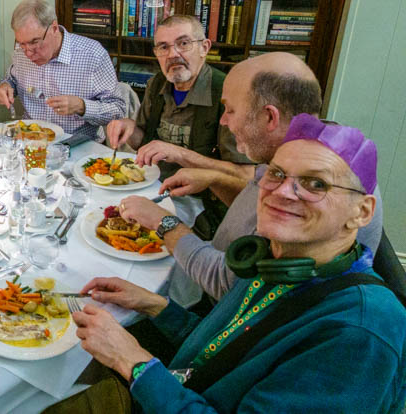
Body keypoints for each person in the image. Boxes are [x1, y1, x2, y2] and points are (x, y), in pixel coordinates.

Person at [64, 117, 406, 412]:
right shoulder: (276, 261)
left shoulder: (359, 334)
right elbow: (223, 348)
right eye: (276, 174)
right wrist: (155, 305)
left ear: (361, 212)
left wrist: (134, 363)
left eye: (316, 183)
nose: (284, 192)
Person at [119, 53, 384, 301]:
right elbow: (253, 205)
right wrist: (215, 179)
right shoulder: (309, 146)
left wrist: (164, 222)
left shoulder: (309, 190)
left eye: (230, 110)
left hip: (217, 310)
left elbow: (224, 284)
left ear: (269, 116)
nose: (224, 121)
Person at [105, 15, 249, 179]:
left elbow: (245, 175)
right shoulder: (156, 84)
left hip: (200, 198)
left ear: (204, 48)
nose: (172, 54)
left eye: (184, 44)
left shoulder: (229, 94)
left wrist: (179, 154)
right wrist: (129, 128)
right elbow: (145, 144)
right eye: (163, 47)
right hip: (152, 181)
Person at [0, 0, 132, 139]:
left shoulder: (92, 55)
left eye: (34, 42)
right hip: (29, 141)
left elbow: (117, 111)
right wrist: (5, 86)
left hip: (77, 145)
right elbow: (11, 79)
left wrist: (81, 106)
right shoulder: (20, 53)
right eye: (22, 43)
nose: (28, 53)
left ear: (54, 28)